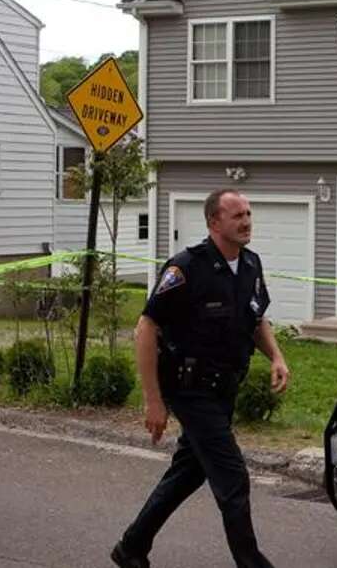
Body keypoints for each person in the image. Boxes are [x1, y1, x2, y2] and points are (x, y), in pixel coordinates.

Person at [112, 188, 290, 568]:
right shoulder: (186, 268)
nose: (246, 222)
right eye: (236, 216)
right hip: (190, 389)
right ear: (214, 223)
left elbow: (255, 318)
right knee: (232, 477)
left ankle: (131, 547)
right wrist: (154, 401)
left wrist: (276, 356)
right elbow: (145, 328)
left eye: (248, 214)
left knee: (187, 473)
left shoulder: (251, 265)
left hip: (224, 390)